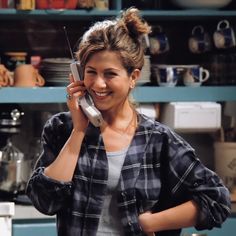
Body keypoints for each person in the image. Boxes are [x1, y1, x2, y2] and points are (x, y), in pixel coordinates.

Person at [26, 7, 231, 236]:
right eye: (91, 72)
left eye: (110, 74)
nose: (98, 84)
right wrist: (79, 130)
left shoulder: (158, 140)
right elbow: (44, 202)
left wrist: (151, 223)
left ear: (133, 77)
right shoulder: (62, 129)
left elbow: (217, 200)